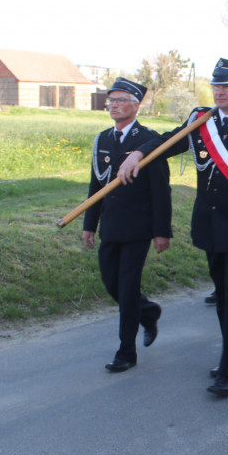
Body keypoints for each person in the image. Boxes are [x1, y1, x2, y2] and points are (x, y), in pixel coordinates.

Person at [118, 59, 228, 398]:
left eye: (227, 86)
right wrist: (138, 152)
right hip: (211, 227)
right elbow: (169, 142)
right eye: (216, 86)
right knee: (224, 298)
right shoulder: (201, 121)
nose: (220, 92)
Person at [82, 78, 171, 373]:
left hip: (138, 227)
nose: (114, 105)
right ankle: (148, 311)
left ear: (136, 105)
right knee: (112, 284)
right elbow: (96, 185)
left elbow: (161, 190)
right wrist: (89, 225)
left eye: (120, 100)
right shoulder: (102, 140)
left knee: (128, 286)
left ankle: (126, 352)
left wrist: (161, 231)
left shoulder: (148, 141)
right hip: (110, 226)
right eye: (111, 100)